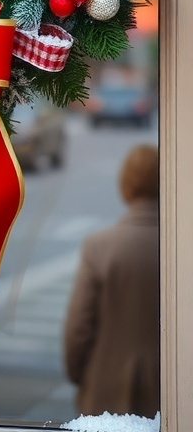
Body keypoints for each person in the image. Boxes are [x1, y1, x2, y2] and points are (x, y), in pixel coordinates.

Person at [63, 144, 159, 417]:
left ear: (125, 185)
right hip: (172, 396)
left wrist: (81, 375)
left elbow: (78, 329)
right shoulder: (179, 249)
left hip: (105, 392)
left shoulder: (100, 246)